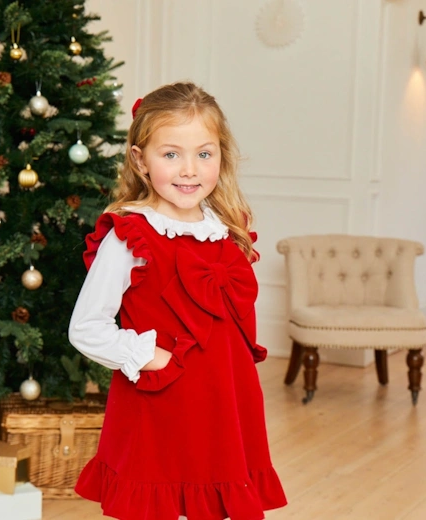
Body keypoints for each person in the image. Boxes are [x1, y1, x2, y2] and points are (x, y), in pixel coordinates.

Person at [68, 82, 287, 520]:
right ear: (139, 160)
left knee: (216, 504)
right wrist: (143, 354)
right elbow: (86, 328)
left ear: (221, 156)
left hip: (226, 404)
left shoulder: (226, 227)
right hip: (162, 405)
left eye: (204, 154)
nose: (189, 170)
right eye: (171, 154)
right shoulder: (129, 236)